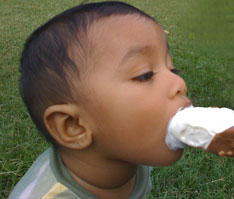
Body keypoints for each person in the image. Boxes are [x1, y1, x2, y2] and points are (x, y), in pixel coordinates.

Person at [9, 1, 191, 198]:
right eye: (145, 75)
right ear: (74, 126)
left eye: (172, 70)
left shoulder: (128, 150)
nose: (179, 83)